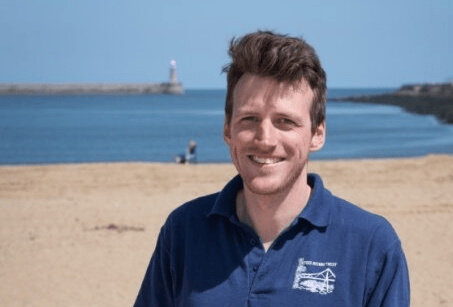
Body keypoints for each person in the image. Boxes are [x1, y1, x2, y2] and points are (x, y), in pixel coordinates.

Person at [134, 30, 410, 306]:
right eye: (250, 118)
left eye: (285, 121)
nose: (265, 139)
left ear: (317, 134)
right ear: (228, 131)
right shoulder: (184, 230)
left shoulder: (370, 243)